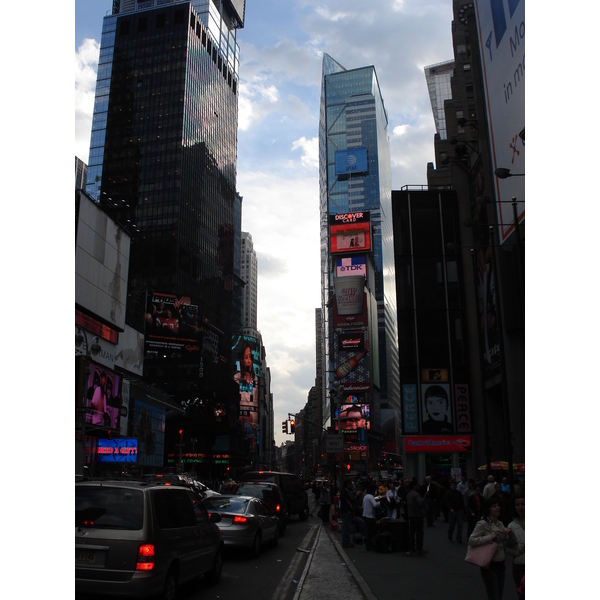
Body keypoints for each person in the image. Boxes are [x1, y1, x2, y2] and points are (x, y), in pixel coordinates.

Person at [468, 497, 514, 600]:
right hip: (490, 565)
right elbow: (471, 540)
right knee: (494, 595)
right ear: (488, 509)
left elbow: (505, 543)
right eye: (494, 506)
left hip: (501, 564)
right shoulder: (483, 523)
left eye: (498, 506)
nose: (498, 508)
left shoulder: (500, 523)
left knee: (499, 594)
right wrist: (489, 537)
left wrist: (507, 534)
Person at [506, 495, 525, 600]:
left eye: (523, 504)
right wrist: (522, 547)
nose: (520, 507)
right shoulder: (511, 526)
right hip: (520, 567)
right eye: (517, 505)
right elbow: (508, 548)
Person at [340, 479, 367, 548]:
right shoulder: (346, 491)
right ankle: (346, 542)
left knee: (350, 526)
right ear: (348, 485)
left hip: (350, 512)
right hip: (346, 511)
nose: (352, 485)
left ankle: (348, 541)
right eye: (351, 484)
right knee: (346, 527)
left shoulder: (348, 491)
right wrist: (357, 495)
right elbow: (352, 499)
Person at [406, 480, 427, 554]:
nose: (419, 486)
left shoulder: (409, 495)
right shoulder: (416, 495)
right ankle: (419, 548)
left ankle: (411, 547)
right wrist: (425, 496)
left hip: (411, 515)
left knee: (412, 532)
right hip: (418, 515)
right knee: (419, 532)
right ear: (414, 486)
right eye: (417, 485)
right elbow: (420, 503)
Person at [361, 483, 380, 550]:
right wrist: (379, 503)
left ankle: (367, 544)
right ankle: (370, 545)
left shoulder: (366, 496)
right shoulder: (371, 497)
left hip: (365, 515)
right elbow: (375, 505)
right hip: (370, 516)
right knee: (371, 532)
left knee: (368, 531)